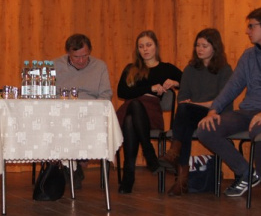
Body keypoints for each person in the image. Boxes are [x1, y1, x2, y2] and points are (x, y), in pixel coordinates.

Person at [196, 7, 261, 200]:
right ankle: (246, 172)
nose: (247, 31)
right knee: (206, 129)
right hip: (249, 111)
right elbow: (233, 85)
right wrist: (214, 109)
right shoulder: (249, 55)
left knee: (260, 128)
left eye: (251, 26)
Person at [157, 29, 233, 196]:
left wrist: (195, 104)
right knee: (185, 118)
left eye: (204, 46)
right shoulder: (190, 69)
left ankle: (176, 159)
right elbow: (182, 97)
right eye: (197, 45)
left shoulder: (225, 70)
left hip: (216, 114)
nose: (200, 49)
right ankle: (180, 174)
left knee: (185, 114)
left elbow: (221, 101)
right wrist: (191, 105)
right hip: (191, 114)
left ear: (215, 47)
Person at [116, 30, 182, 194]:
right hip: (130, 108)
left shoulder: (166, 68)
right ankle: (148, 152)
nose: (145, 49)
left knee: (131, 118)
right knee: (133, 110)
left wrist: (175, 83)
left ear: (156, 46)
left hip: (151, 112)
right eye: (141, 46)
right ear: (137, 49)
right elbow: (122, 92)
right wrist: (149, 88)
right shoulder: (131, 69)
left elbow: (188, 82)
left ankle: (128, 176)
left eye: (148, 45)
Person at [53, 34, 113, 189]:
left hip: (91, 112)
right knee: (64, 121)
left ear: (90, 52)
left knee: (83, 120)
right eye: (76, 57)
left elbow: (106, 94)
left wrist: (91, 109)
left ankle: (74, 165)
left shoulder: (100, 66)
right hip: (64, 111)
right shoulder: (56, 66)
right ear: (68, 53)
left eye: (84, 56)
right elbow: (50, 94)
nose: (81, 61)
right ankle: (73, 165)